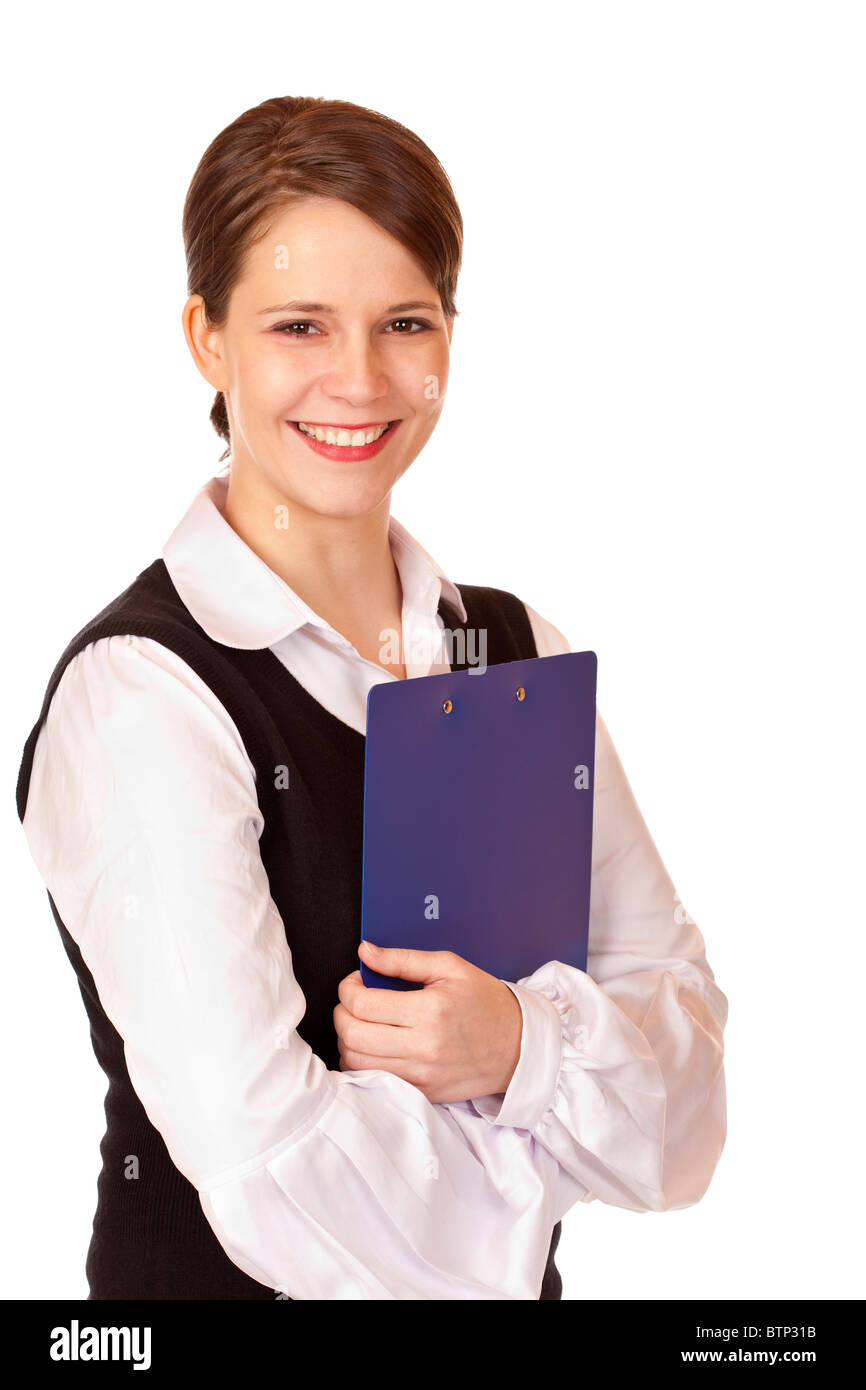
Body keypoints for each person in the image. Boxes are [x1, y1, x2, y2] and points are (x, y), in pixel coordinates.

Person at [16, 94, 728, 1301]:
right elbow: (276, 1170)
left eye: (404, 321)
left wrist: (515, 1047)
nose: (358, 380)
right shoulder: (142, 694)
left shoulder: (513, 651)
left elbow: (691, 1096)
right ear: (207, 339)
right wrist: (561, 1127)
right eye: (299, 324)